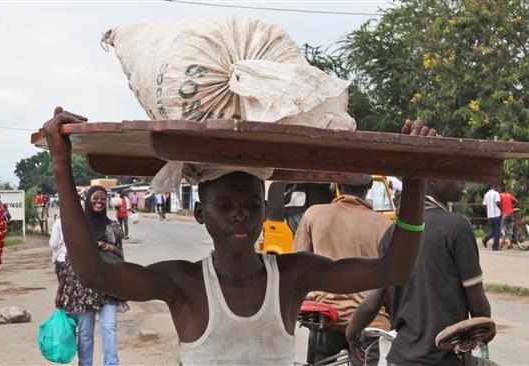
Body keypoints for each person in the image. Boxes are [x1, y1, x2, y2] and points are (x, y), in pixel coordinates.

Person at [43, 107, 435, 365]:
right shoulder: (183, 281)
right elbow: (95, 273)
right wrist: (61, 165)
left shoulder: (294, 274)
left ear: (266, 211)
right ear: (200, 212)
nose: (240, 214)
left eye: (250, 204)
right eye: (225, 205)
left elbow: (396, 268)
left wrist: (415, 176)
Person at [346, 180, 492, 366]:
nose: (463, 181)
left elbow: (372, 302)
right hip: (444, 359)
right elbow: (478, 307)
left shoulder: (393, 232)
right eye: (454, 175)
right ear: (432, 180)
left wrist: (352, 334)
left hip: (399, 357)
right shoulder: (458, 226)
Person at [294, 175, 393, 365]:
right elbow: (392, 284)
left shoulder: (313, 214)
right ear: (370, 186)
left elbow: (299, 268)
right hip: (371, 324)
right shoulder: (385, 225)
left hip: (326, 320)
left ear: (336, 185)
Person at [55, 185, 128, 366]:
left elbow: (120, 254)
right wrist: (60, 291)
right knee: (85, 334)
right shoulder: (79, 226)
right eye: (95, 197)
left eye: (102, 198)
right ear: (88, 200)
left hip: (108, 284)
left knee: (109, 328)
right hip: (83, 286)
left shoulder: (113, 226)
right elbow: (68, 258)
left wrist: (107, 246)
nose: (99, 201)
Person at [482, 185, 502, 250]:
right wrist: (502, 209)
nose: (498, 188)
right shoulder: (496, 193)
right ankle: (495, 246)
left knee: (494, 230)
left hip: (490, 215)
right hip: (496, 214)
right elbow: (498, 203)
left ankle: (485, 239)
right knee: (497, 231)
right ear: (495, 186)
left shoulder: (486, 194)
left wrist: (488, 212)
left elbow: (484, 205)